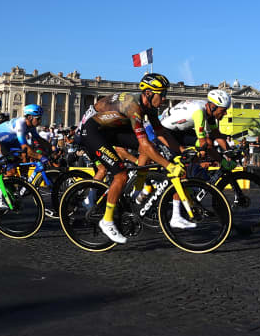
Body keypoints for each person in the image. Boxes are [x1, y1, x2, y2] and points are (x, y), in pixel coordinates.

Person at [76, 73, 186, 243]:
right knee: (121, 174)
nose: (164, 99)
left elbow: (160, 132)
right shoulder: (133, 106)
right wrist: (170, 166)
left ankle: (136, 189)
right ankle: (107, 220)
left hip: (111, 129)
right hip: (93, 131)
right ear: (149, 93)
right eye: (162, 94)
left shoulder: (150, 106)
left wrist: (179, 153)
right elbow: (143, 142)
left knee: (150, 147)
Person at [159, 89, 232, 160]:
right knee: (201, 148)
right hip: (165, 132)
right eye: (223, 110)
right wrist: (222, 161)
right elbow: (203, 143)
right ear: (213, 107)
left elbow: (217, 134)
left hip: (180, 131)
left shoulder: (209, 110)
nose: (225, 113)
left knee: (208, 143)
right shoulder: (199, 112)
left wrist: (230, 151)